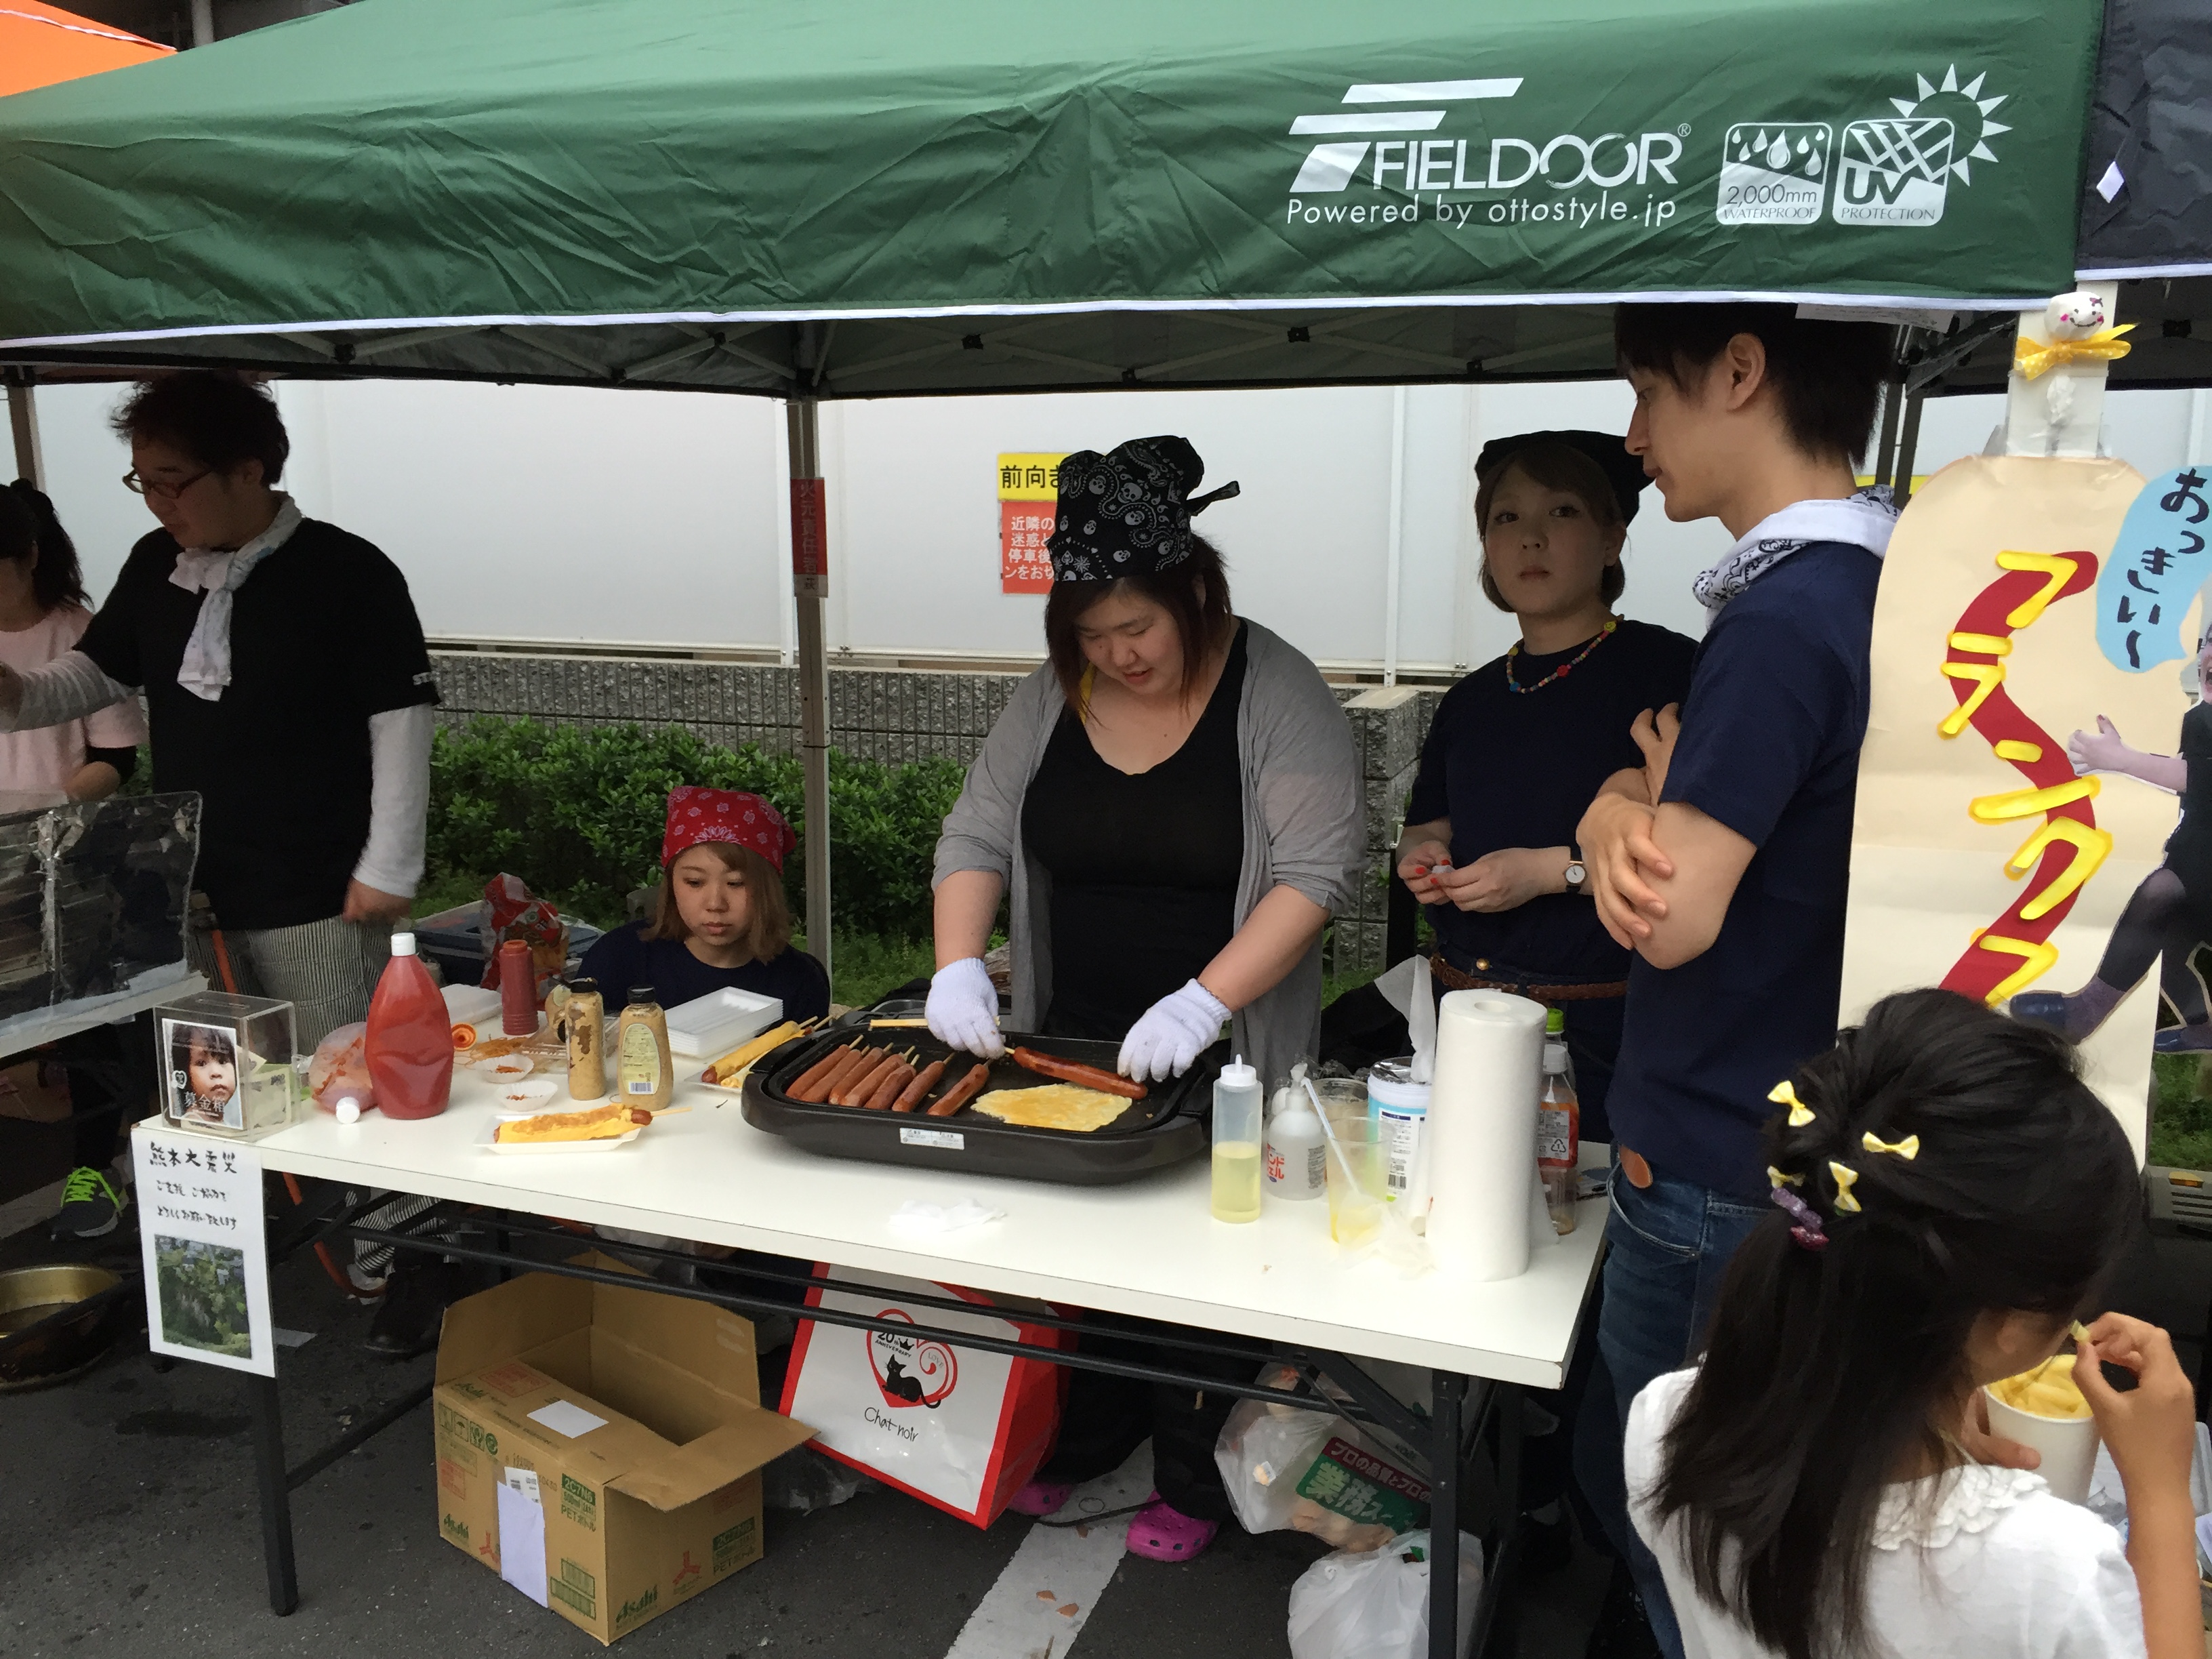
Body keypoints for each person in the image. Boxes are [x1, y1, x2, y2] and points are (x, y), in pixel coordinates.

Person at [928, 434, 1364, 1559]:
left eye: (1138, 627)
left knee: (1201, 1265)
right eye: (1091, 635)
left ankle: (1194, 1470)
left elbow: (1315, 873)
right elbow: (975, 833)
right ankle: (1088, 1430)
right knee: (1082, 1252)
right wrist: (957, 960)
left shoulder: (1276, 690)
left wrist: (1202, 1001)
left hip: (1225, 1048)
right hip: (1070, 1036)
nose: (1117, 655)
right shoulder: (1052, 697)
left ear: (1194, 592)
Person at [1571, 303, 1893, 1656]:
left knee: (1668, 1518)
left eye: (1648, 392)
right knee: (1741, 1527)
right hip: (1808, 1126)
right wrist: (1635, 794)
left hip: (1712, 1156)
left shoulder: (1781, 618)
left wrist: (1613, 807)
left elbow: (1663, 917)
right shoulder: (1886, 580)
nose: (1634, 435)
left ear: (1741, 373)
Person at [1628, 987, 2196, 1659]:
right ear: (2009, 1328)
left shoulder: (1664, 1428)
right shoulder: (2048, 1572)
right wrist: (2162, 1493)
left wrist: (1933, 1416)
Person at [1396, 430, 1695, 1141]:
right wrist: (1424, 858)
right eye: (1506, 518)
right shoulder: (1472, 697)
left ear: (1612, 540)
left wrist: (1549, 872)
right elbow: (1428, 825)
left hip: (1611, 1028)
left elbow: (1699, 857)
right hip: (1464, 1014)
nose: (1530, 538)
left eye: (1561, 512)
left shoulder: (1671, 672)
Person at [0, 480, 153, 1238]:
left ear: (28, 557)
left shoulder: (80, 635)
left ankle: (97, 1166)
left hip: (62, 859)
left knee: (87, 1020)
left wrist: (52, 809)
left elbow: (117, 758)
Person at [2014, 623, 2212, 1050]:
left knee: (2161, 895)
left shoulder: (2203, 719)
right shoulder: (2200, 717)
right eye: (2209, 642)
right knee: (2169, 939)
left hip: (2201, 863)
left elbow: (2199, 777)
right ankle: (2199, 1029)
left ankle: (2086, 1012)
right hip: (2198, 852)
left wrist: (2121, 760)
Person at [579, 786, 829, 1021]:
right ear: (671, 884)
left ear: (768, 890)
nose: (715, 904)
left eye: (736, 883)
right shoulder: (618, 957)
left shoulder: (800, 981)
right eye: (695, 882)